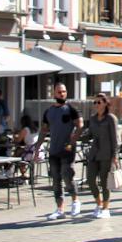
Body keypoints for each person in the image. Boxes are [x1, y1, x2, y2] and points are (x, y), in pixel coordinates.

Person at [40, 83, 82, 220]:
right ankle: (60, 209)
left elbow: (80, 125)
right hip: (53, 150)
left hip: (67, 149)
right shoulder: (49, 111)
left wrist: (72, 141)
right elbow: (44, 130)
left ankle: (75, 201)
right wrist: (36, 148)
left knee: (67, 175)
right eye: (59, 92)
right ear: (54, 94)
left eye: (63, 91)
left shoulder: (71, 109)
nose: (62, 94)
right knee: (56, 180)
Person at [84, 93, 119, 219]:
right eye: (95, 102)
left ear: (105, 103)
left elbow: (115, 139)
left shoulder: (111, 118)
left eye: (99, 102)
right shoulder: (93, 119)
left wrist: (115, 156)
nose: (97, 105)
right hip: (94, 154)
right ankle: (98, 204)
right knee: (90, 180)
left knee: (104, 182)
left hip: (106, 154)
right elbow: (90, 135)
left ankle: (106, 208)